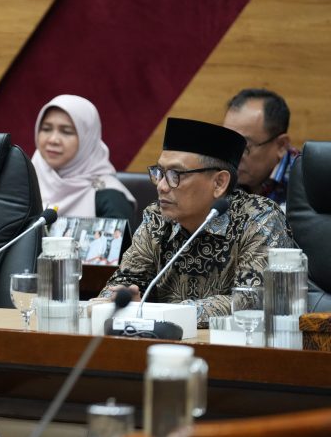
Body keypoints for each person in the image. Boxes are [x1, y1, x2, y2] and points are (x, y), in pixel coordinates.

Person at [99, 117, 294, 327]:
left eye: (175, 174)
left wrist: (151, 312)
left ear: (219, 183)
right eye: (159, 173)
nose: (162, 186)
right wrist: (121, 296)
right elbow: (122, 283)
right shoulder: (157, 218)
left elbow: (251, 302)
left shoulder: (259, 219)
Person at [32, 95, 135, 220]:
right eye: (46, 129)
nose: (53, 140)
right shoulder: (22, 183)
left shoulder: (111, 199)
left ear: (88, 138)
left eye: (66, 131)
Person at [223, 88, 299, 207]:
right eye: (227, 142)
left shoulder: (309, 183)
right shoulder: (220, 175)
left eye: (244, 146)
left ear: (281, 146)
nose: (232, 156)